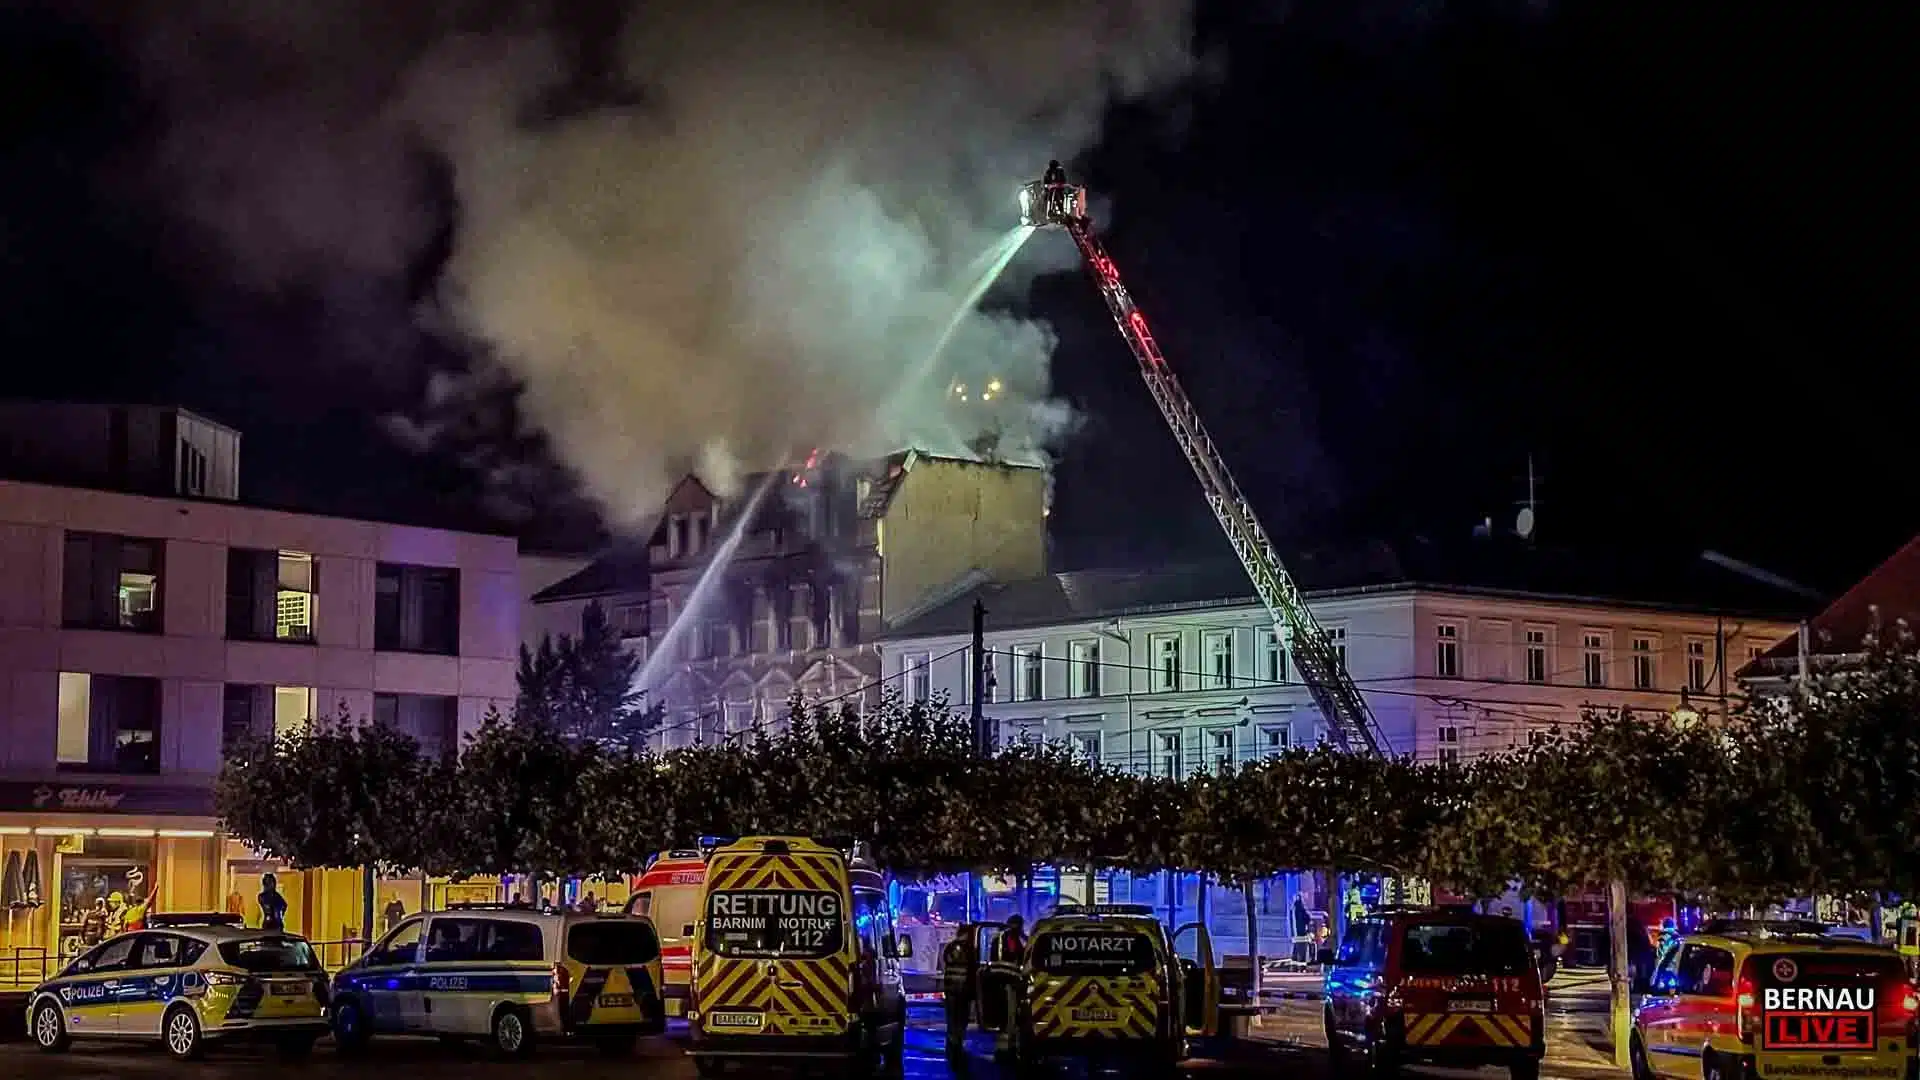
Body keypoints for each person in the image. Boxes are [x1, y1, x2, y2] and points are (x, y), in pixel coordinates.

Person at [942, 930, 979, 1058]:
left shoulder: (949, 947)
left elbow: (945, 964)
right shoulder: (969, 949)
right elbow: (973, 971)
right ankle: (957, 1045)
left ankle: (951, 1045)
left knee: (952, 1019)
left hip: (951, 990)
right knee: (961, 1019)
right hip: (963, 991)